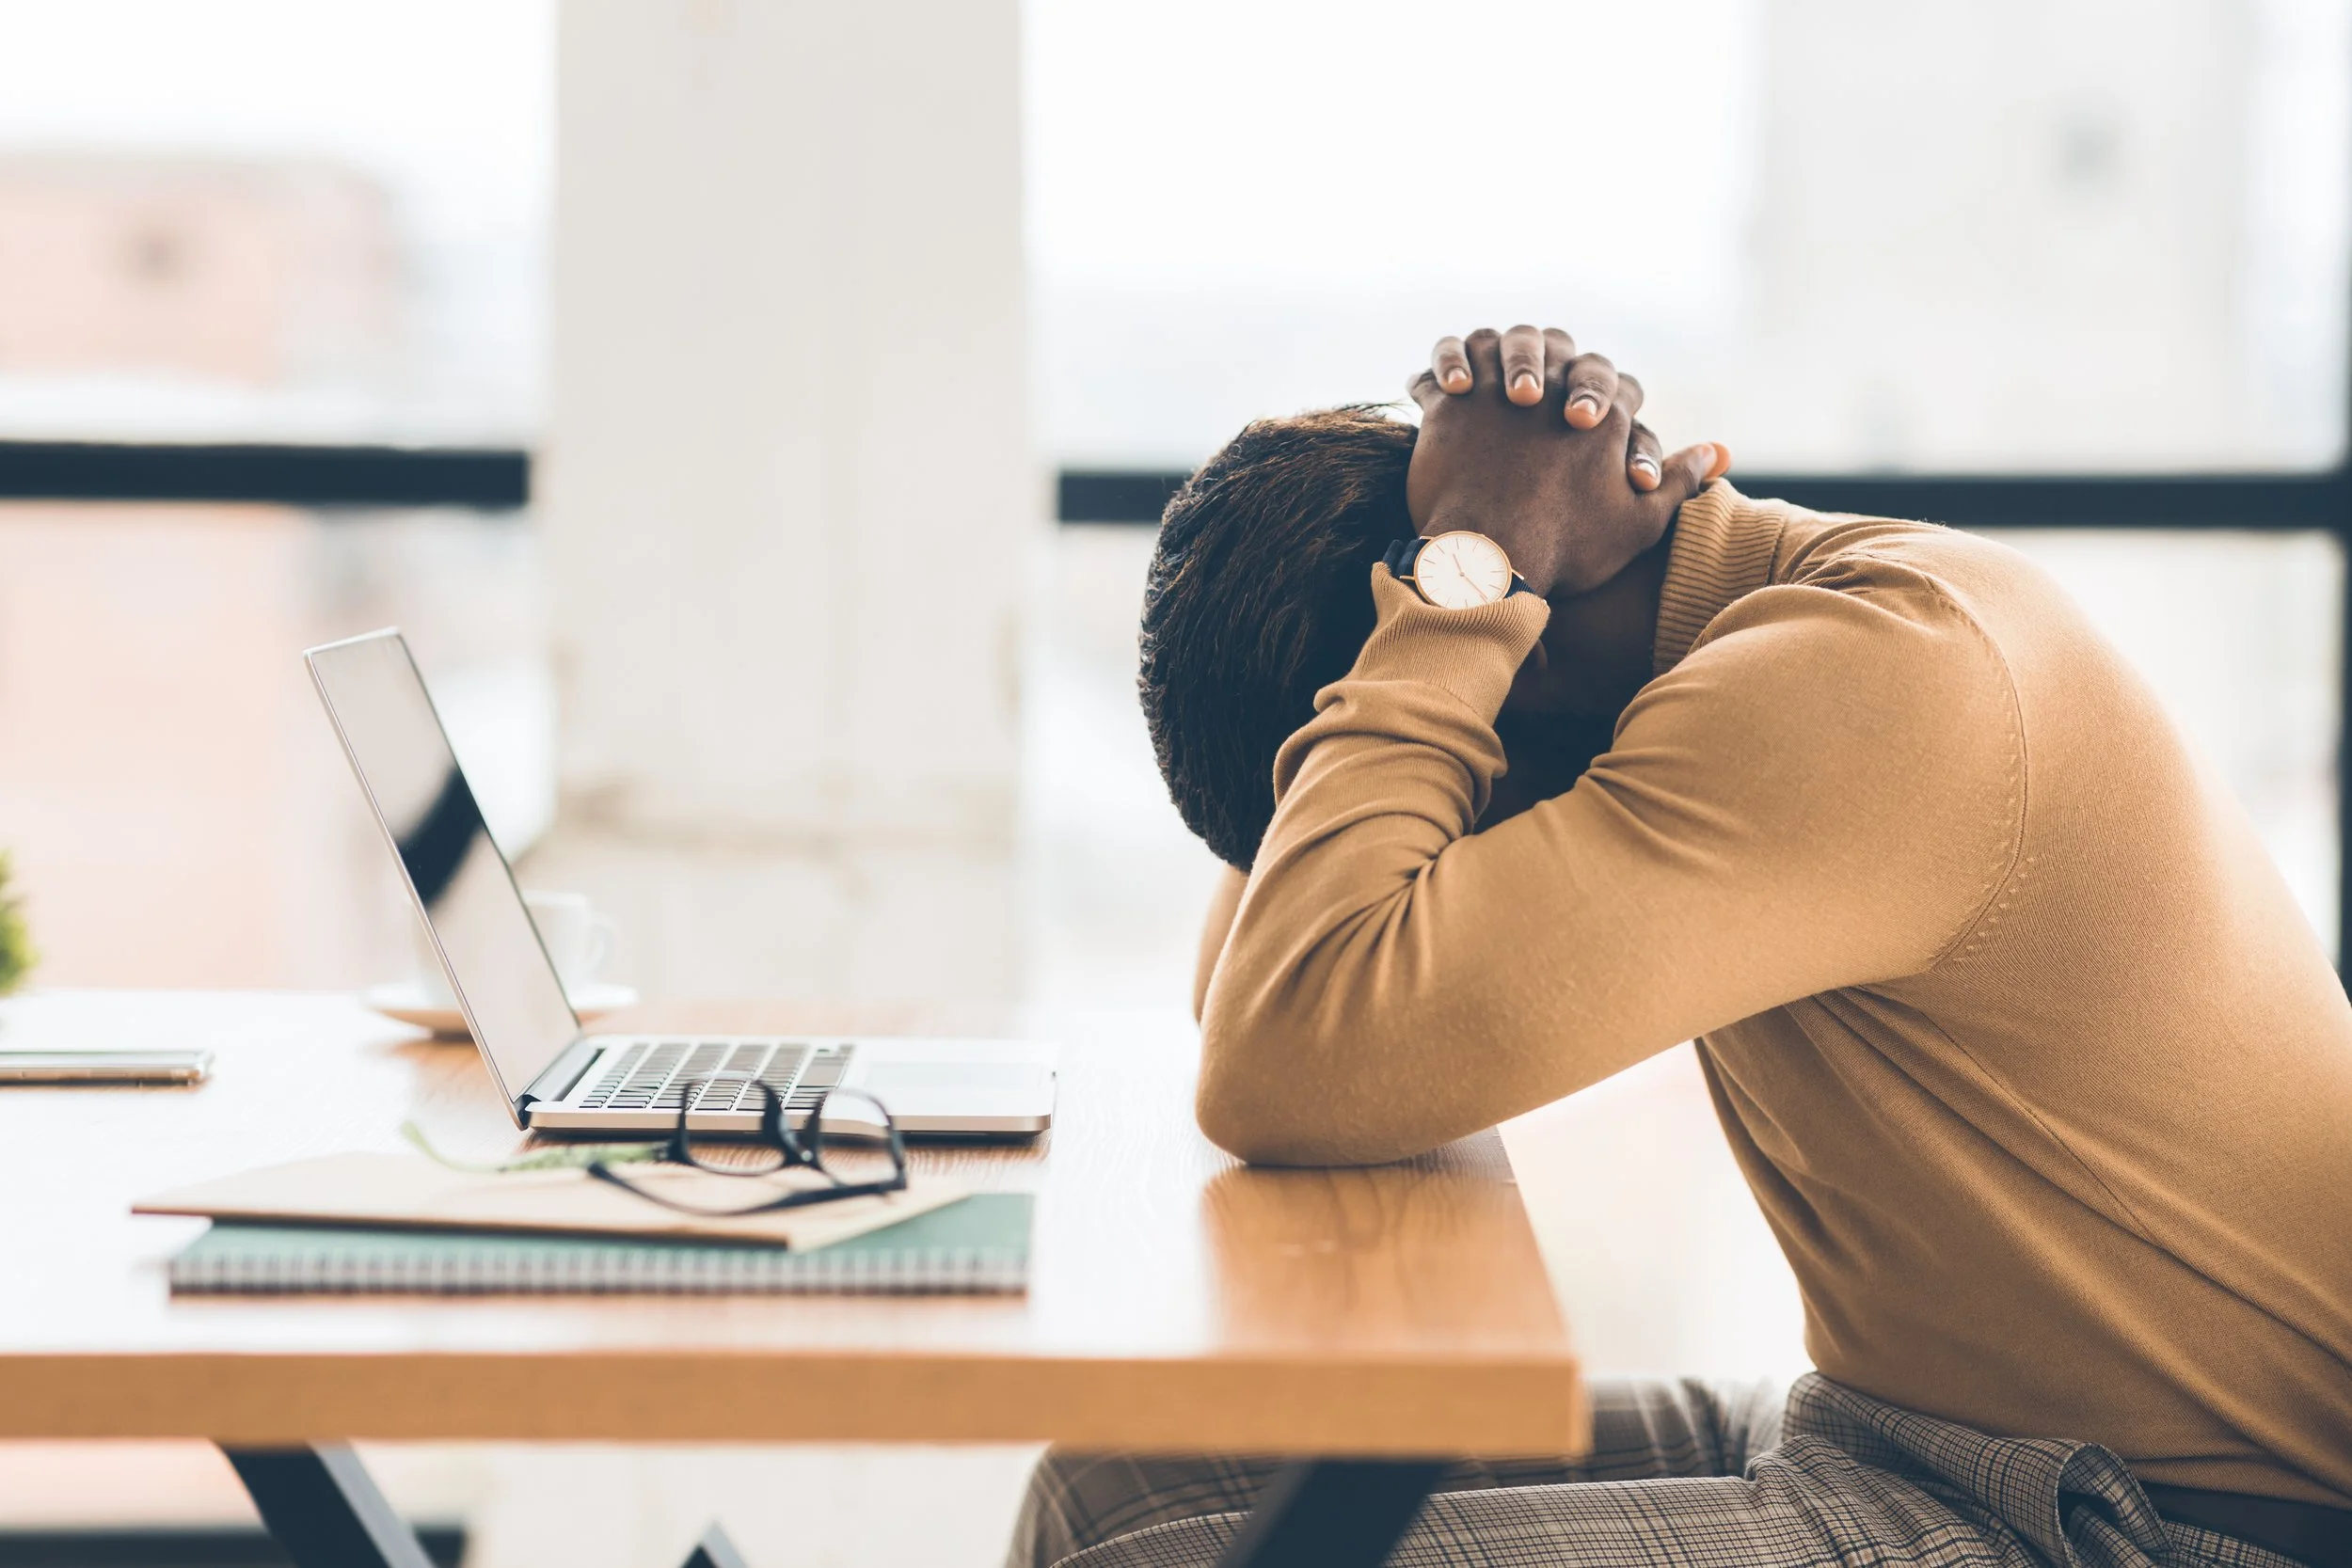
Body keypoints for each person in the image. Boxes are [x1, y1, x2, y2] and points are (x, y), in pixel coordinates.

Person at [1008, 326, 2352, 1568]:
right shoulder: (1710, 644)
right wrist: (1464, 560)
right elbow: (1247, 991)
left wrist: (1468, 566)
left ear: (1494, 680)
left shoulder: (1857, 677)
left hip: (2144, 1523)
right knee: (1113, 1486)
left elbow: (1283, 1054)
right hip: (1914, 1435)